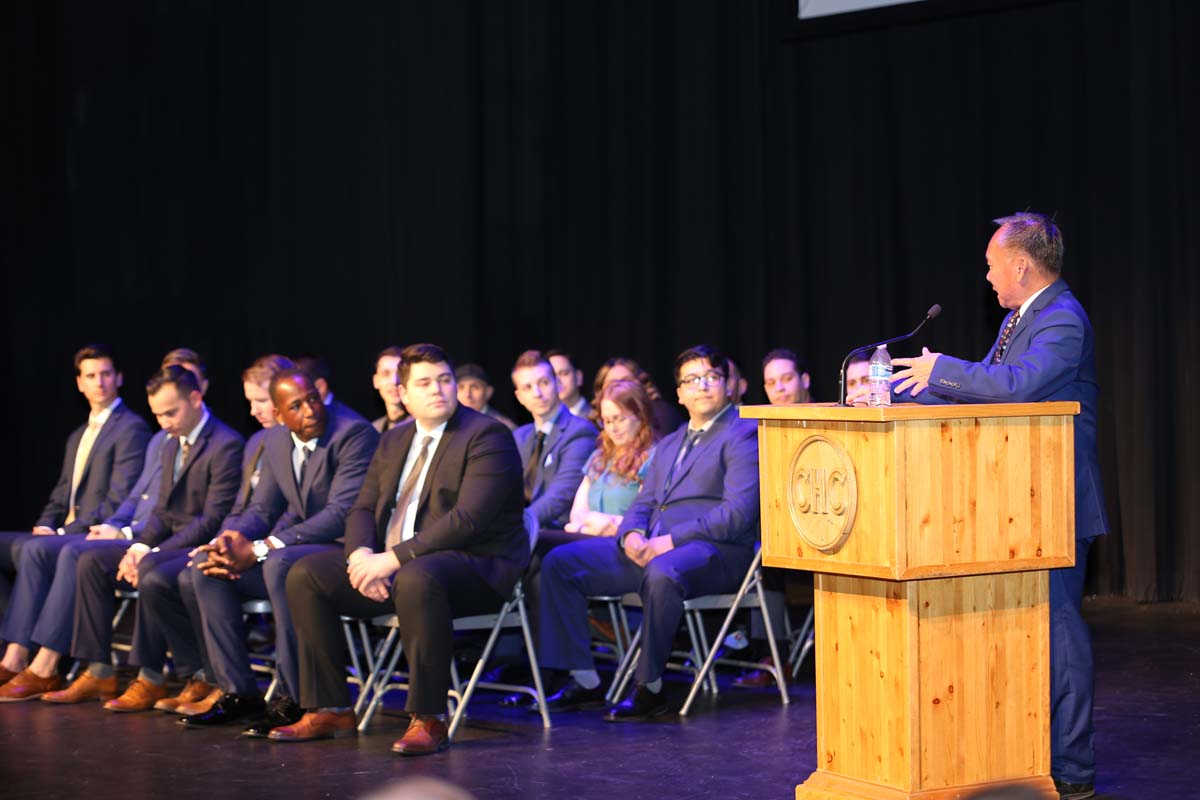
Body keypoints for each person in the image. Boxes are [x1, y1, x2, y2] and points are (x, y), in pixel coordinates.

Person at [891, 212, 1106, 800]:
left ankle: (1074, 769)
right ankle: (1026, 755)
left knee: (1058, 637)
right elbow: (990, 384)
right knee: (1025, 637)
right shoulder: (1022, 317)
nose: (985, 276)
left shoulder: (1062, 320)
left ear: (1020, 265)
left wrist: (944, 371)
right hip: (1013, 506)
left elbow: (1017, 387)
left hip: (1054, 504)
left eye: (991, 265)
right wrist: (908, 395)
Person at [272, 344, 528, 755]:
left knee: (416, 577)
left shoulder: (486, 435)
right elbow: (363, 508)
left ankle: (429, 716)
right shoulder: (392, 441)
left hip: (477, 566)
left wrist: (391, 560)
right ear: (403, 395)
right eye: (424, 383)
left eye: (445, 380)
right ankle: (330, 707)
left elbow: (468, 520)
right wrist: (359, 558)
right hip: (400, 566)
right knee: (305, 573)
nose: (438, 390)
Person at [537, 345, 759, 720]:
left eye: (711, 378)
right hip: (656, 546)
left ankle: (650, 688)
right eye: (692, 380)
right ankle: (585, 680)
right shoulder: (671, 442)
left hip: (717, 551)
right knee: (560, 562)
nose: (702, 386)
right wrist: (631, 536)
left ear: (727, 385)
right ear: (679, 393)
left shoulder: (744, 433)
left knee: (663, 572)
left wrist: (669, 541)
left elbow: (737, 514)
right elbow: (644, 502)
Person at [26, 365, 244, 706]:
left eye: (171, 412)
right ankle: (99, 670)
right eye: (158, 415)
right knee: (89, 559)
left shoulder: (225, 444)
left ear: (196, 398)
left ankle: (155, 675)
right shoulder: (170, 444)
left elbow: (211, 519)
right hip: (164, 540)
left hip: (197, 542)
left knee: (151, 569)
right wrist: (141, 544)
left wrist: (150, 551)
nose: (164, 422)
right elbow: (161, 511)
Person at [182, 368, 378, 734]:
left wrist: (262, 547)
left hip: (342, 552)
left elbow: (341, 514)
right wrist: (230, 539)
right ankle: (238, 691)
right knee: (205, 570)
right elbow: (263, 509)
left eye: (313, 399)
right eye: (297, 406)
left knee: (279, 564)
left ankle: (293, 696)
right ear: (278, 413)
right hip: (299, 548)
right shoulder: (274, 441)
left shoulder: (353, 434)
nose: (311, 411)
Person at [126, 353, 294, 717]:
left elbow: (282, 512)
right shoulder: (257, 442)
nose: (254, 411)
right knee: (168, 567)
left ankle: (232, 685)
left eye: (261, 401)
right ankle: (212, 680)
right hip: (241, 543)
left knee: (192, 573)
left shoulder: (237, 442)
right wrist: (224, 542)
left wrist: (237, 546)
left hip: (280, 551)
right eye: (251, 401)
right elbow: (242, 510)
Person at [0, 344, 151, 687]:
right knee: (28, 545)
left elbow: (118, 498)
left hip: (92, 533)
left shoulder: (131, 428)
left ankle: (34, 659)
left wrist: (68, 531)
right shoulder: (77, 436)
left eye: (106, 374)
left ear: (119, 378)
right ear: (79, 383)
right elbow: (61, 491)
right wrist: (44, 524)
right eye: (91, 376)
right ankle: (16, 642)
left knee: (43, 551)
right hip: (65, 531)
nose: (99, 382)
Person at [511, 351, 597, 530]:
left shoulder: (580, 431)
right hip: (522, 530)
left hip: (558, 532)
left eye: (544, 383)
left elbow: (562, 494)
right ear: (519, 397)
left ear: (557, 384)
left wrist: (518, 525)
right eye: (527, 387)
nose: (537, 393)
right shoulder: (518, 436)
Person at [591, 357, 684, 438]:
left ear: (641, 383)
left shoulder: (661, 413)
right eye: (613, 383)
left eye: (626, 381)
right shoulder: (593, 423)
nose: (619, 389)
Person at [455, 363, 517, 431]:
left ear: (488, 392)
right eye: (461, 387)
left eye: (474, 387)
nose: (467, 394)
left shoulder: (502, 427)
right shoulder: (449, 424)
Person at [372, 346, 410, 433]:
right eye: (386, 374)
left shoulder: (423, 426)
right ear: (376, 381)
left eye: (400, 373)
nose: (394, 381)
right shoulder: (372, 430)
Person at [547, 349, 591, 418]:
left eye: (564, 373)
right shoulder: (546, 422)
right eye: (552, 376)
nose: (557, 381)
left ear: (578, 377)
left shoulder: (596, 419)